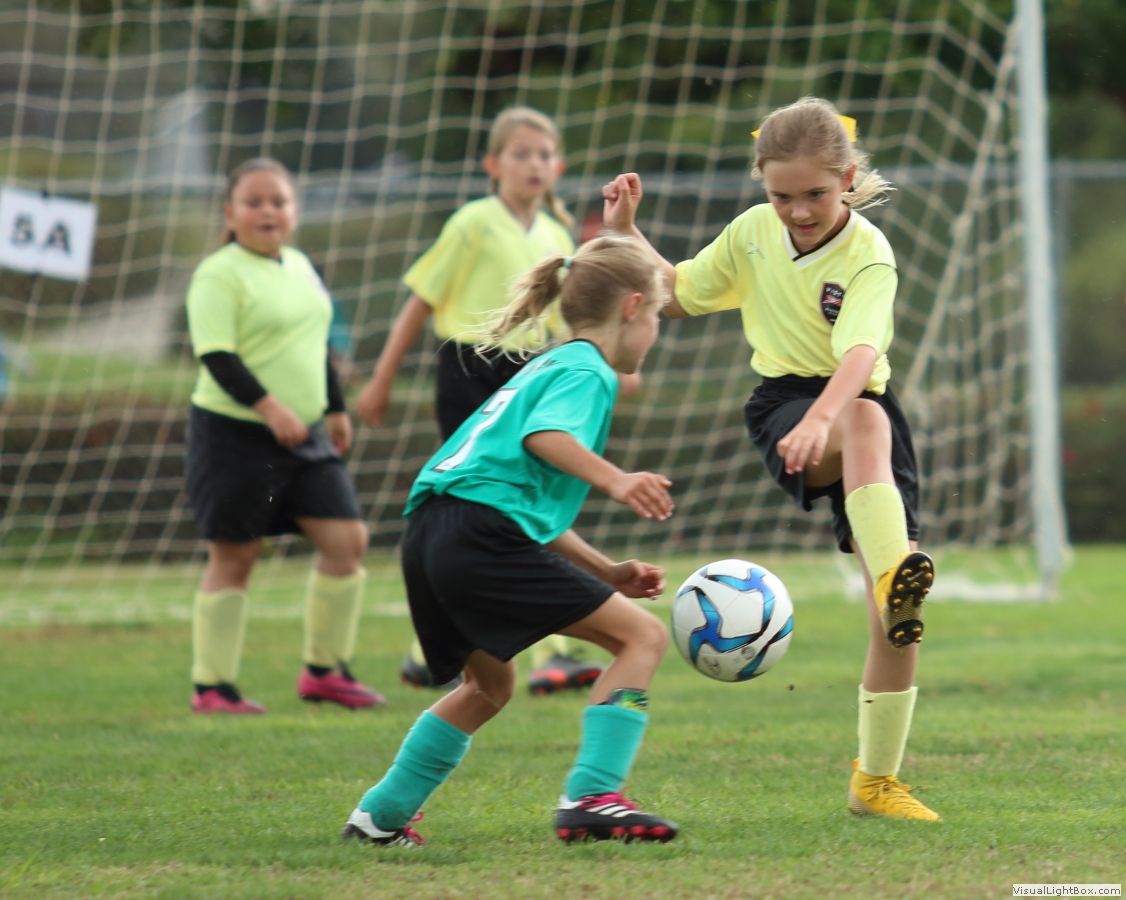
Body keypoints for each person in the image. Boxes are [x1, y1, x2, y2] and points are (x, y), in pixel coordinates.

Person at [602, 97, 940, 821]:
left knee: (894, 618)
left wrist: (827, 418)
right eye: (781, 196)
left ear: (847, 179)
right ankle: (895, 575)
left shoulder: (870, 254)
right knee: (864, 422)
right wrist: (627, 233)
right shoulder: (753, 232)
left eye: (814, 194)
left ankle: (875, 781)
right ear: (763, 185)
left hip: (857, 416)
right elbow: (680, 294)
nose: (797, 211)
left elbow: (860, 354)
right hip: (788, 406)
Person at [341, 234, 678, 846]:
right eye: (656, 315)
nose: (656, 332)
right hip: (476, 534)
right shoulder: (588, 370)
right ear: (632, 307)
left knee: (489, 687)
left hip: (432, 531)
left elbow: (517, 500)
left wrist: (606, 571)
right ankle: (593, 796)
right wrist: (617, 480)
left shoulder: (548, 363)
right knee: (643, 637)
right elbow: (544, 439)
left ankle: (378, 818)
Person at [356, 107, 620, 695]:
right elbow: (421, 300)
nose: (533, 164)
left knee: (526, 501)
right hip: (468, 368)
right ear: (492, 165)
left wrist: (602, 357)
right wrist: (381, 378)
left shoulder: (555, 235)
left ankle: (445, 651)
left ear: (559, 166)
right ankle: (543, 651)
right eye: (520, 154)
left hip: (529, 372)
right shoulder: (472, 222)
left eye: (543, 154)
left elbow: (565, 320)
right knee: (489, 501)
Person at [184, 157, 382, 714]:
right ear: (230, 213)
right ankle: (212, 687)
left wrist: (335, 408)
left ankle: (325, 673)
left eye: (279, 201)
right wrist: (270, 408)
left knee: (348, 542)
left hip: (306, 436)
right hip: (234, 436)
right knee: (236, 555)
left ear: (294, 211)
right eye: (254, 202)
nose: (268, 211)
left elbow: (315, 344)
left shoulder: (299, 265)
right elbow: (216, 355)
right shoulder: (218, 273)